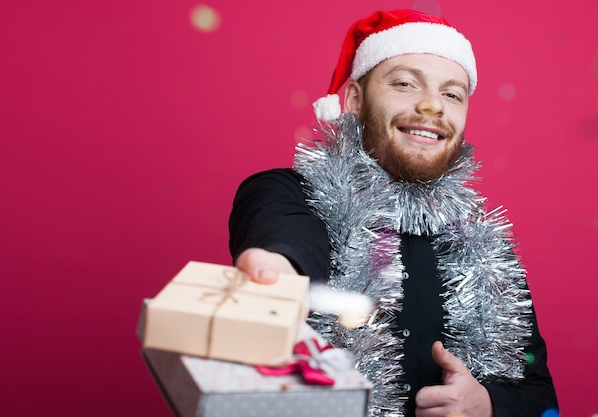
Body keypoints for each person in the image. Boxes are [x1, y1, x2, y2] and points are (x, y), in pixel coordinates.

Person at [228, 9, 558, 417]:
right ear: (353, 99)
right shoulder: (288, 192)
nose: (432, 105)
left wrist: (487, 405)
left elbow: (541, 396)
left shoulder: (486, 246)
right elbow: (286, 231)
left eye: (452, 94)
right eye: (405, 83)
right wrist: (275, 267)